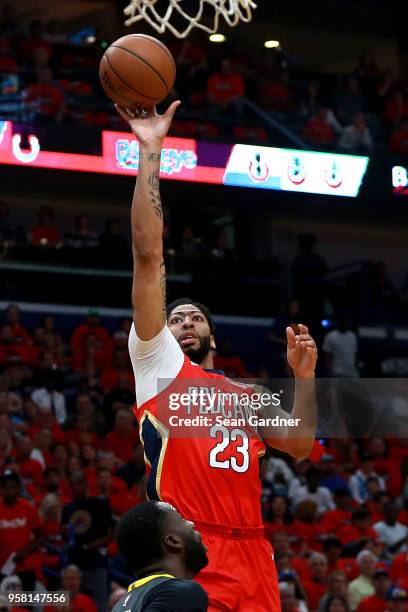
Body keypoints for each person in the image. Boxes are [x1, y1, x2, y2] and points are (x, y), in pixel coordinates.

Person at [116, 100, 318, 611]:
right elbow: (147, 252)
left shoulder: (247, 396)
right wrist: (150, 151)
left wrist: (305, 377)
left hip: (254, 548)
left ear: (213, 336)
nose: (184, 322)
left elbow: (299, 444)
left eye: (195, 318)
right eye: (176, 317)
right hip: (190, 551)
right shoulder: (159, 364)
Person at [112, 501, 208, 612]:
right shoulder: (180, 593)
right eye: (182, 520)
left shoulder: (119, 606)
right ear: (173, 541)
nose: (191, 523)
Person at [61, 470, 114, 612]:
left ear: (86, 484)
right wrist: (64, 531)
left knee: (100, 606)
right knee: (73, 607)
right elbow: (64, 535)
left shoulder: (99, 504)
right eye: (73, 485)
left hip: (95, 562)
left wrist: (100, 542)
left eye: (79, 484)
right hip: (74, 562)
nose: (76, 488)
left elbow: (114, 531)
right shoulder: (67, 509)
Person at [0, 471, 43, 591]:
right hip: (2, 567)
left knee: (25, 604)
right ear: (1, 489)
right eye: (5, 488)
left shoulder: (29, 508)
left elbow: (40, 536)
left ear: (18, 488)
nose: (9, 491)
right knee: (3, 605)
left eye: (12, 487)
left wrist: (25, 551)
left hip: (25, 567)